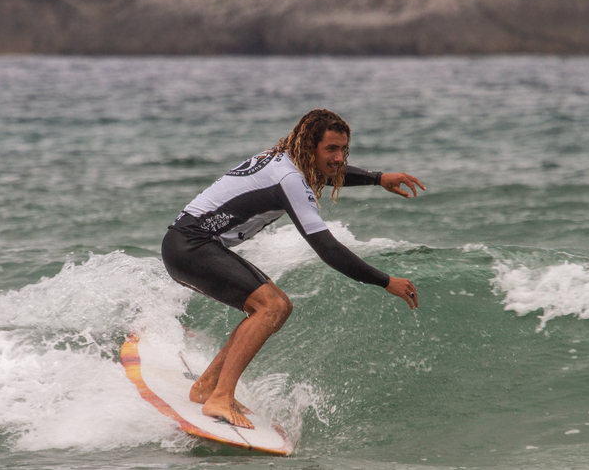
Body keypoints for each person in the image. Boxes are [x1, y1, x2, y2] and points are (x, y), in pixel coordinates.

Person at [161, 109, 424, 429]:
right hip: (191, 246)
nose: (339, 157)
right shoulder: (289, 179)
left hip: (189, 244)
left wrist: (377, 177)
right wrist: (385, 281)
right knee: (271, 307)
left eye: (343, 149)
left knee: (274, 308)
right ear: (310, 145)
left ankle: (207, 388)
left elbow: (328, 173)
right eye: (331, 149)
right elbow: (328, 249)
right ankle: (221, 397)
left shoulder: (286, 158)